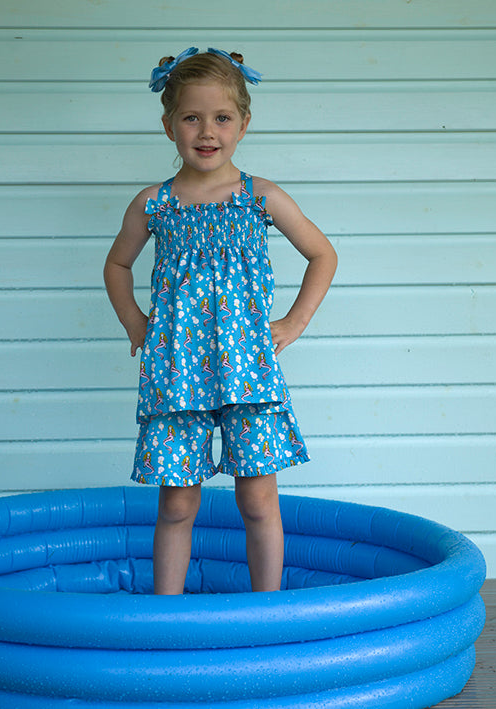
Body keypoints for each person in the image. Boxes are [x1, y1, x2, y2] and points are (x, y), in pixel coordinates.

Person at [104, 47, 337, 595]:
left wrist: (294, 322)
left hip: (246, 371)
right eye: (191, 117)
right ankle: (167, 612)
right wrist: (135, 322)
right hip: (176, 371)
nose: (207, 131)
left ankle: (267, 608)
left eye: (221, 118)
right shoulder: (154, 203)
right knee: (178, 501)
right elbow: (117, 264)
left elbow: (322, 254)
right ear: (169, 126)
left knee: (257, 500)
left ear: (243, 124)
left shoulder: (260, 197)